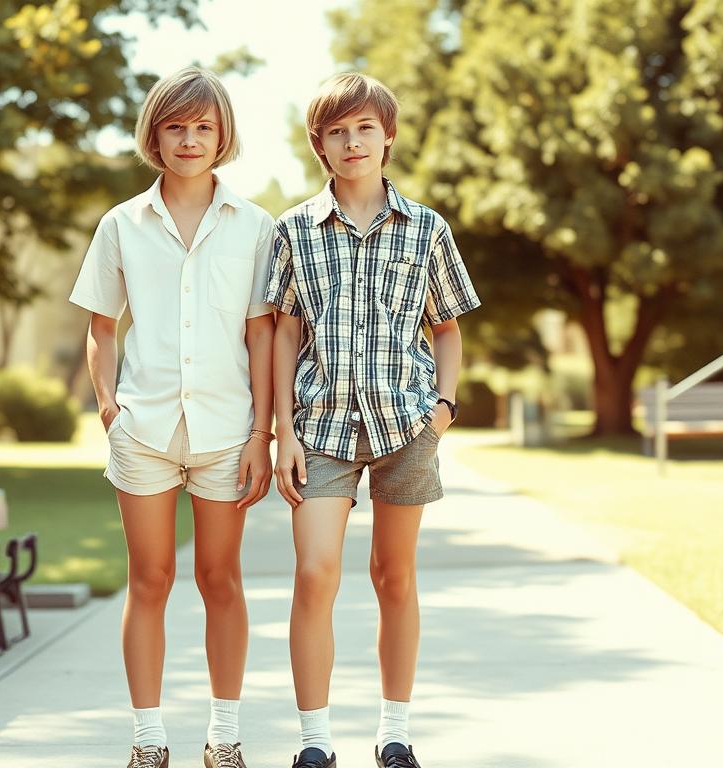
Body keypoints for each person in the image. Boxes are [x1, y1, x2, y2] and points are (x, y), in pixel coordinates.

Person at [265, 73, 481, 768]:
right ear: (319, 146)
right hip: (319, 430)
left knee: (395, 576)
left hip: (405, 427)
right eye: (337, 131)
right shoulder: (295, 229)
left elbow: (445, 327)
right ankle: (315, 743)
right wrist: (281, 432)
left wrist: (442, 410)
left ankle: (394, 733)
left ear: (387, 136)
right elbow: (282, 335)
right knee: (315, 573)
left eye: (364, 128)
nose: (351, 141)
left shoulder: (426, 229)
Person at [69, 66, 275, 768]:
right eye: (176, 126)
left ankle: (224, 739)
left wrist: (262, 435)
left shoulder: (256, 226)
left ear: (223, 136)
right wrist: (108, 408)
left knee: (222, 580)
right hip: (144, 433)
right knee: (148, 580)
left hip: (226, 434)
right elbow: (102, 326)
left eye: (204, 127)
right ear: (154, 134)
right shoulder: (121, 224)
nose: (190, 139)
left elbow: (263, 336)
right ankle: (149, 740)